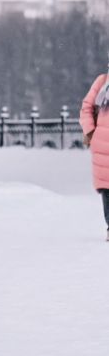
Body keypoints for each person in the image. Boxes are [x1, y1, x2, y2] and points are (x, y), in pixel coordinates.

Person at [79, 68, 109, 241]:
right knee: (107, 188)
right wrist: (91, 132)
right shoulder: (103, 82)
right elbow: (86, 107)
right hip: (103, 147)